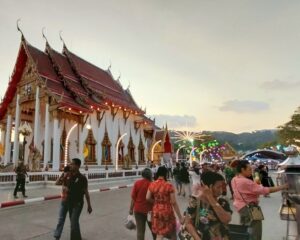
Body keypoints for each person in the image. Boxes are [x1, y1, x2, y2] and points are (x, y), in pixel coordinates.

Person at [231, 160, 288, 240]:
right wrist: (282, 187)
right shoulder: (246, 182)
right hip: (251, 207)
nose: (251, 171)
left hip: (241, 207)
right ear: (242, 170)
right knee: (255, 230)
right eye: (249, 169)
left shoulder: (234, 179)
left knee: (244, 229)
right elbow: (264, 190)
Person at [184, 171, 232, 240]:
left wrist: (210, 198)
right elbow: (188, 223)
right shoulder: (195, 201)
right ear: (207, 187)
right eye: (218, 187)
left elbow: (226, 220)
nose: (221, 190)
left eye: (221, 187)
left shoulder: (222, 202)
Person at [146, 166, 184, 240]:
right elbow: (173, 202)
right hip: (167, 211)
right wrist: (180, 217)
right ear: (166, 174)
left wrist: (156, 202)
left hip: (156, 211)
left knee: (159, 234)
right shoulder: (168, 185)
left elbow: (147, 197)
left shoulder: (152, 184)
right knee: (173, 232)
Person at [68, 158, 92, 240]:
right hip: (70, 203)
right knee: (73, 223)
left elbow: (86, 192)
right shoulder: (69, 176)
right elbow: (60, 183)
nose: (70, 165)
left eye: (72, 164)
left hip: (78, 204)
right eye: (71, 164)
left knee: (73, 223)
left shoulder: (82, 178)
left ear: (77, 166)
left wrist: (89, 205)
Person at [129, 168, 156, 240]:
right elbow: (155, 198)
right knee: (154, 231)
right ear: (150, 175)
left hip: (138, 210)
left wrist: (131, 209)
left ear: (142, 175)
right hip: (150, 211)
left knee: (140, 231)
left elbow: (133, 198)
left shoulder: (137, 183)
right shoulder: (152, 184)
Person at [54, 165, 72, 240]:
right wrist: (62, 176)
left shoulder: (74, 177)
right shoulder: (64, 176)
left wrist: (67, 188)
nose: (67, 173)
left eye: (67, 172)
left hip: (72, 201)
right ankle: (57, 236)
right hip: (64, 201)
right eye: (65, 172)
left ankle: (75, 235)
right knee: (61, 219)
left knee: (73, 221)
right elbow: (57, 183)